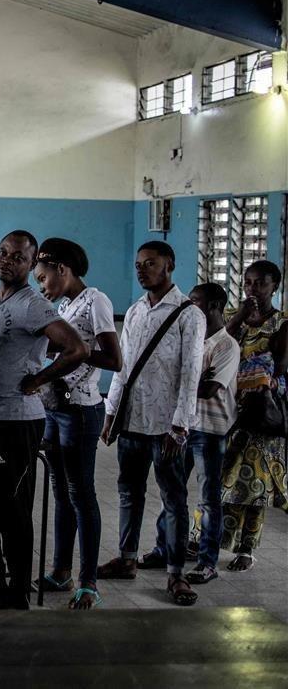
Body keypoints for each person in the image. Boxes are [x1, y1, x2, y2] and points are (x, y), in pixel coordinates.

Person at [0, 231, 89, 610]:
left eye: (18, 257)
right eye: (2, 253)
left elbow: (77, 348)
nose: (7, 260)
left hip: (16, 424)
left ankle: (15, 596)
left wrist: (37, 379)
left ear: (31, 264)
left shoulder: (32, 305)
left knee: (11, 513)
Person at [97, 241, 205, 607]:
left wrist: (180, 426)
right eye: (139, 264)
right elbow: (122, 367)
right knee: (129, 491)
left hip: (166, 427)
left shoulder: (189, 314)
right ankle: (127, 558)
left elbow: (191, 375)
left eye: (151, 264)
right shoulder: (135, 311)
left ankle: (175, 574)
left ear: (169, 266)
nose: (142, 270)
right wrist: (111, 412)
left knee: (173, 498)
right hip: (132, 421)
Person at [31, 238, 122, 610]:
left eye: (43, 278)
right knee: (60, 491)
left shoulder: (96, 300)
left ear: (62, 270)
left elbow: (115, 360)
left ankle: (88, 582)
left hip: (81, 411)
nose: (41, 286)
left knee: (81, 494)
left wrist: (73, 353)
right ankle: (61, 570)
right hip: (56, 407)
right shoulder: (66, 303)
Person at [219, 260, 287, 572]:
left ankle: (246, 549)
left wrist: (268, 381)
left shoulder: (282, 324)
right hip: (228, 411)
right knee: (220, 480)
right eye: (248, 282)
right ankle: (204, 539)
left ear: (275, 287)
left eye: (260, 283)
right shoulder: (235, 317)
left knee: (253, 486)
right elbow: (217, 345)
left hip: (260, 416)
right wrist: (240, 318)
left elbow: (283, 372)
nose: (252, 289)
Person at [173, 283, 240, 585]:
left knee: (208, 499)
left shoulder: (226, 346)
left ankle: (207, 562)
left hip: (210, 430)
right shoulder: (192, 339)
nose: (189, 307)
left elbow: (209, 388)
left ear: (213, 306)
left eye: (195, 301)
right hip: (183, 426)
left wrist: (184, 381)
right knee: (171, 494)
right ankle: (167, 550)